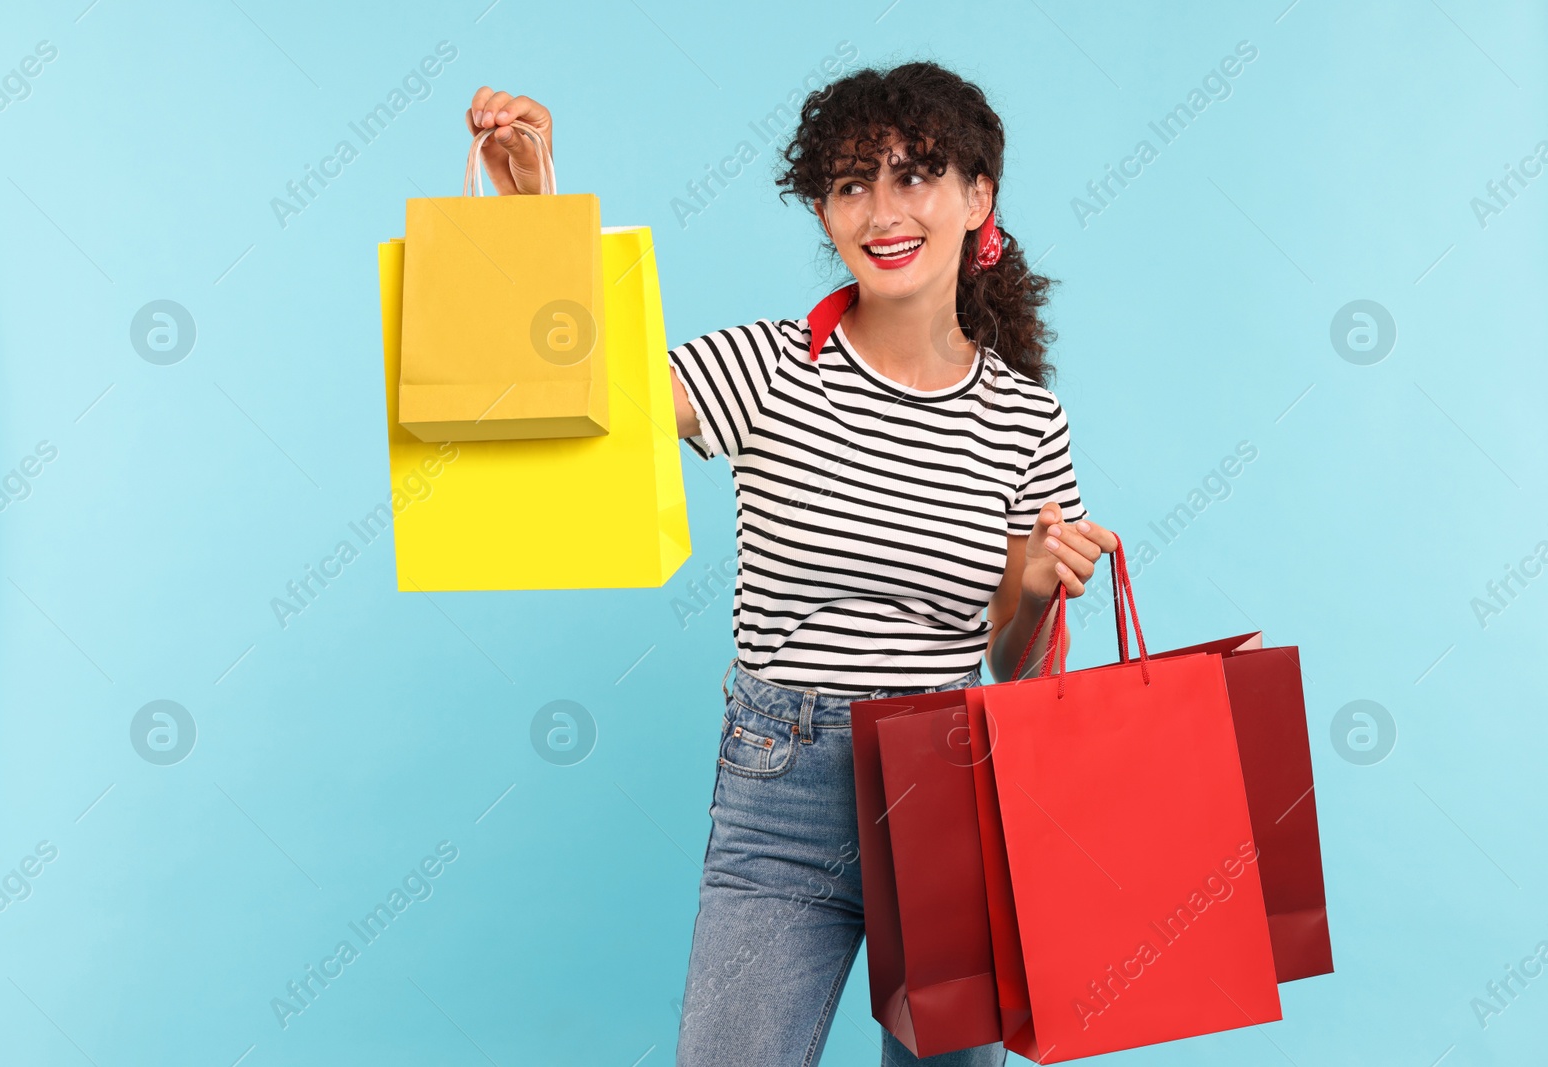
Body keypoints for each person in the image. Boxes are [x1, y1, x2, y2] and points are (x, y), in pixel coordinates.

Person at [466, 61, 1121, 1067]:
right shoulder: (766, 366)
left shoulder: (1025, 418)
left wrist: (1030, 587)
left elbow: (1017, 671)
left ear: (977, 196)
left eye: (916, 175)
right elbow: (587, 383)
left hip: (950, 782)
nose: (882, 209)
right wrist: (532, 206)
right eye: (851, 182)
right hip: (784, 781)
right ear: (822, 208)